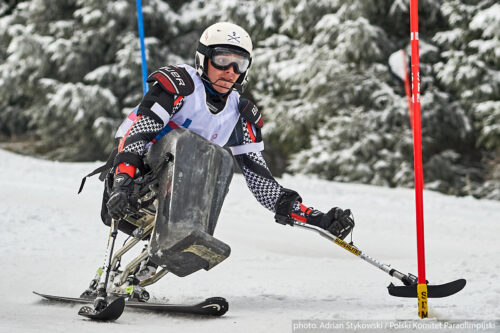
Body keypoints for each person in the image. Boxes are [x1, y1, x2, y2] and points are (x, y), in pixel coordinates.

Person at [104, 22, 354, 279]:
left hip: (182, 190)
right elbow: (139, 131)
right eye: (222, 60)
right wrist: (123, 181)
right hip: (135, 175)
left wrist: (317, 219)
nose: (231, 71)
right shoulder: (179, 85)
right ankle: (114, 272)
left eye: (240, 64)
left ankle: (153, 261)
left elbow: (261, 181)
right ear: (204, 59)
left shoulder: (241, 114)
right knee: (186, 143)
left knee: (216, 159)